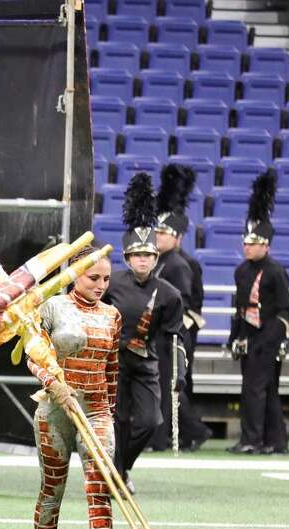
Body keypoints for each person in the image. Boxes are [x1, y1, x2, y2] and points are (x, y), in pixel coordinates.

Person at [28, 248, 132, 529]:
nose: (101, 285)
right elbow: (33, 356)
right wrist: (52, 384)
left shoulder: (113, 315)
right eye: (93, 278)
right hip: (56, 408)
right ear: (73, 274)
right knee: (52, 488)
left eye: (106, 279)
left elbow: (112, 367)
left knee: (100, 484)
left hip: (97, 408)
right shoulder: (52, 306)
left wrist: (109, 410)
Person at [106, 174, 182, 492]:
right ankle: (117, 475)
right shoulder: (111, 284)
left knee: (150, 421)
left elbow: (173, 338)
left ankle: (121, 469)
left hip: (147, 364)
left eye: (148, 255)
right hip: (114, 362)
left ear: (155, 257)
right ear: (126, 258)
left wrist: (180, 373)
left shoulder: (169, 294)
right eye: (137, 255)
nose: (142, 259)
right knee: (118, 422)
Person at [227, 170, 289, 456]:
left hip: (267, 338)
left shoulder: (277, 271)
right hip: (248, 335)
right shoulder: (241, 270)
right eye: (245, 242)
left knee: (257, 390)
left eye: (252, 243)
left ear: (266, 245)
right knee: (258, 390)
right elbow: (240, 308)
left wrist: (268, 340)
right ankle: (274, 441)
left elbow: (285, 311)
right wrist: (235, 337)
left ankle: (252, 439)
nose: (246, 246)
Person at [149, 166, 196, 452]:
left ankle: (172, 434)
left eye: (162, 233)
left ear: (174, 235)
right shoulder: (161, 260)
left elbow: (184, 303)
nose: (157, 236)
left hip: (172, 333)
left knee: (169, 386)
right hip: (160, 332)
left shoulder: (177, 265)